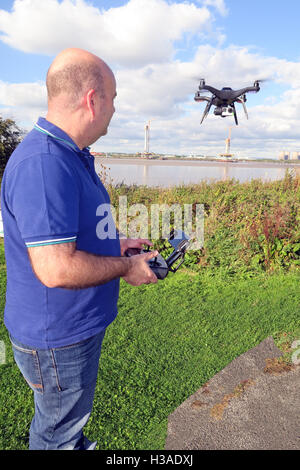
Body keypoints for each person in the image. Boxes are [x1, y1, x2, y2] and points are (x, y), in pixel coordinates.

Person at [0, 48, 158, 450]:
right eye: (114, 99)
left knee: (61, 426)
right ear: (93, 99)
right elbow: (55, 268)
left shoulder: (69, 156)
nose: (114, 109)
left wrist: (117, 244)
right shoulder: (44, 164)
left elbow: (67, 233)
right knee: (58, 436)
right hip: (58, 339)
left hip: (67, 331)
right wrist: (126, 268)